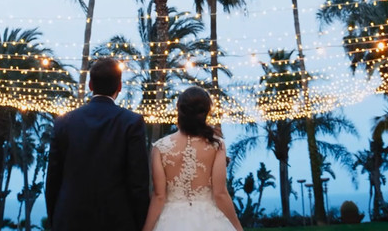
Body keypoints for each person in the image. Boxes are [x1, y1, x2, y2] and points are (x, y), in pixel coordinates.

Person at [45, 57, 150, 231]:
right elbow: (138, 182)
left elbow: (53, 180)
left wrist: (56, 219)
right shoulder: (132, 122)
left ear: (90, 85)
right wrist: (139, 223)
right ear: (119, 87)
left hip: (69, 218)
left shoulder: (64, 122)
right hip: (117, 220)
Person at [142, 87, 244, 231]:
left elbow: (159, 196)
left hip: (170, 221)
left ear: (179, 111)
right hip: (211, 221)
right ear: (206, 112)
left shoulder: (160, 147)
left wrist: (146, 228)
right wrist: (238, 227)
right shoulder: (216, 145)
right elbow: (220, 193)